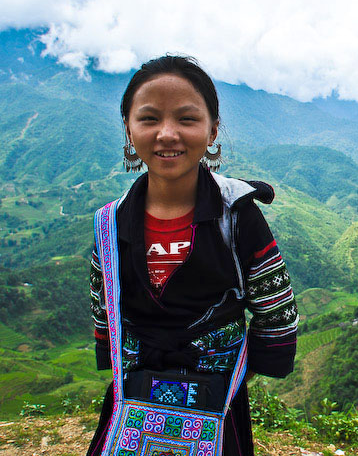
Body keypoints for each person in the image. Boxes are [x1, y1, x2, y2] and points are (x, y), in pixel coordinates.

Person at [87, 55, 298, 456]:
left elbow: (276, 313)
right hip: (134, 394)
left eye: (186, 119)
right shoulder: (109, 225)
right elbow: (106, 315)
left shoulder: (238, 215)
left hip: (218, 400)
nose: (167, 134)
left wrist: (230, 379)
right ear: (129, 130)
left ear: (212, 129)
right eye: (149, 119)